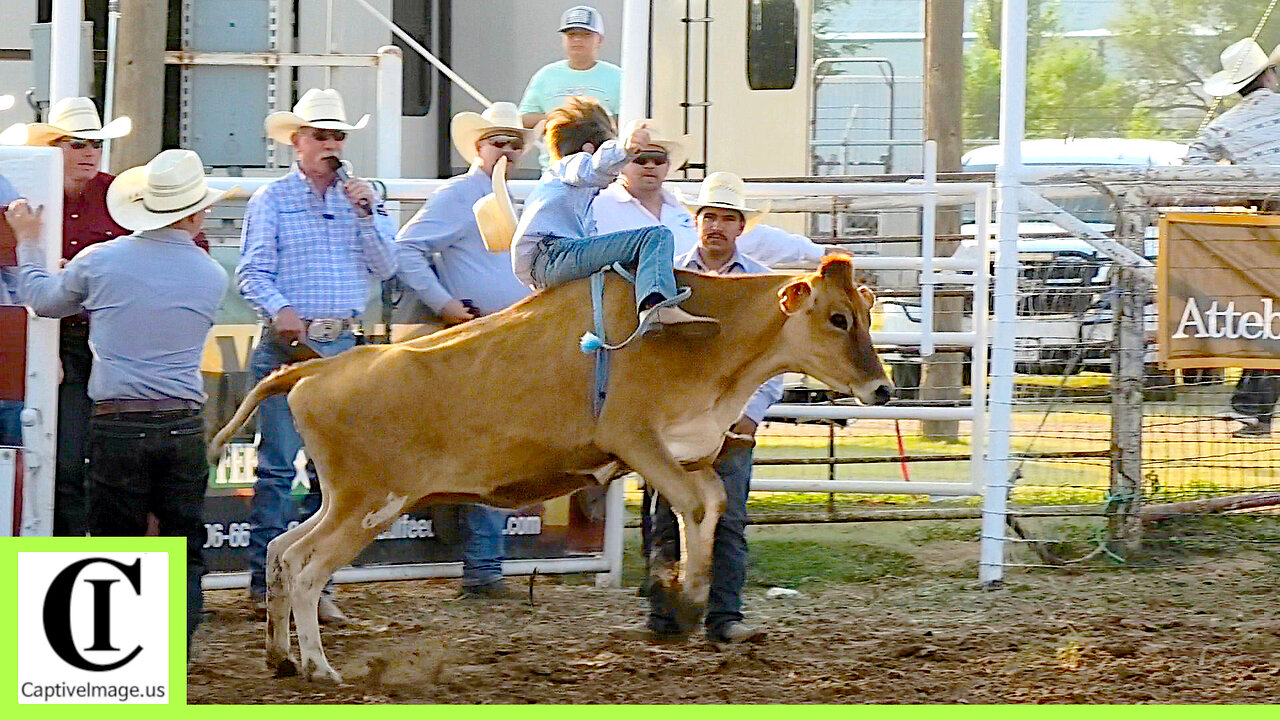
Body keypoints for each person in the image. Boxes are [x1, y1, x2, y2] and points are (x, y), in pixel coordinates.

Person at [8, 149, 233, 648]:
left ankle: (121, 652)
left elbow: (44, 301)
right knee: (182, 541)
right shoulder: (209, 274)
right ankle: (178, 643)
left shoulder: (102, 261)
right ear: (194, 213)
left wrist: (28, 245)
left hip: (117, 421)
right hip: (182, 419)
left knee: (115, 542)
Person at [238, 88, 398, 622]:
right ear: (298, 142)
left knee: (333, 473)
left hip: (343, 345)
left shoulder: (362, 199)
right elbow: (252, 272)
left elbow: (385, 266)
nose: (330, 144)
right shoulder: (273, 199)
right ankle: (268, 584)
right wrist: (281, 309)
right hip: (296, 341)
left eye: (337, 135)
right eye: (320, 135)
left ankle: (312, 579)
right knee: (280, 467)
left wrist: (366, 213)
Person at [394, 101, 539, 599]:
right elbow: (406, 248)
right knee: (488, 443)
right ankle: (483, 565)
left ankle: (483, 564)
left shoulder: (511, 197)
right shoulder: (460, 195)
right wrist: (445, 303)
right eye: (498, 141)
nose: (507, 150)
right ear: (479, 147)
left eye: (514, 142)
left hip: (505, 338)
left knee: (494, 444)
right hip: (479, 337)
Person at [645, 171, 782, 643]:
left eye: (727, 218)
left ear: (741, 226)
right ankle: (667, 615)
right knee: (665, 515)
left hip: (731, 417)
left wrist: (752, 412)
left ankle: (723, 616)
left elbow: (774, 359)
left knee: (729, 519)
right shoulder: (669, 276)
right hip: (679, 418)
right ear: (696, 220)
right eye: (710, 217)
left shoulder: (760, 285)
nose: (717, 226)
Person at [1, 96, 133, 535]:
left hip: (109, 343)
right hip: (63, 342)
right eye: (77, 144)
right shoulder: (28, 199)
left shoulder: (119, 195)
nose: (90, 152)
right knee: (67, 461)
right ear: (54, 148)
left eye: (94, 143)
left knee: (114, 461)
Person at [511, 97, 718, 337]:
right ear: (589, 149)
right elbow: (592, 168)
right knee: (656, 236)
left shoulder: (570, 190)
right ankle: (657, 305)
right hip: (554, 254)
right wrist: (624, 149)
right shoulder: (571, 165)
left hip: (547, 263)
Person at [1185, 38, 1280, 438]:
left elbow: (1193, 166)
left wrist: (1241, 188)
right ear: (1269, 74)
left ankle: (1253, 411)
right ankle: (1252, 409)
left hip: (1270, 224)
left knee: (1269, 319)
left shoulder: (1225, 125)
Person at [592, 124, 829, 267]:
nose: (650, 165)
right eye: (640, 159)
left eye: (659, 159)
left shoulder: (682, 210)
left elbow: (757, 239)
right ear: (622, 163)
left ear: (668, 165)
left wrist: (819, 253)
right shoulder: (597, 207)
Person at [519, 5, 622, 170]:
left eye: (585, 34)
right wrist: (565, 120)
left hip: (606, 171)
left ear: (600, 39)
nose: (577, 40)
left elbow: (629, 120)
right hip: (554, 170)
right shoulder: (545, 76)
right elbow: (523, 120)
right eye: (571, 34)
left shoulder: (618, 77)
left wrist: (591, 123)